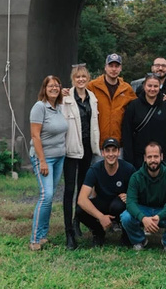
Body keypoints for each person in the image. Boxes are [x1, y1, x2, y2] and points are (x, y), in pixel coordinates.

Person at [61, 64, 101, 250]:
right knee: (69, 190)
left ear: (88, 78)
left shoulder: (92, 98)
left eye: (84, 76)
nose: (81, 80)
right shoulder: (65, 98)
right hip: (71, 148)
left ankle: (78, 220)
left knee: (83, 189)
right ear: (73, 79)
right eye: (77, 77)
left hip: (87, 147)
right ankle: (68, 232)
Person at [28, 75, 68, 251]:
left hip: (59, 157)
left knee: (49, 198)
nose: (54, 88)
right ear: (44, 88)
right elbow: (35, 136)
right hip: (44, 158)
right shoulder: (39, 107)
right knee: (47, 196)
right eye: (51, 86)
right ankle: (35, 239)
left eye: (57, 86)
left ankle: (43, 235)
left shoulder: (58, 107)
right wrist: (42, 161)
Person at [120, 142, 166, 251]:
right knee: (125, 217)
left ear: (161, 157)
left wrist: (159, 216)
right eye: (149, 157)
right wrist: (143, 218)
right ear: (144, 158)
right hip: (143, 210)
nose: (153, 160)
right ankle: (140, 240)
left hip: (163, 210)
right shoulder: (136, 177)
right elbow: (130, 203)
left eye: (156, 156)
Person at [76, 137, 136, 247]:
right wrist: (100, 217)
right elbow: (81, 199)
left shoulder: (128, 169)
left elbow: (139, 193)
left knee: (118, 206)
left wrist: (130, 196)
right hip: (102, 203)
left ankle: (126, 234)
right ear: (102, 153)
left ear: (118, 152)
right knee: (80, 211)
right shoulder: (94, 169)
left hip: (119, 205)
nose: (111, 154)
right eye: (107, 151)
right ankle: (98, 232)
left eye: (114, 150)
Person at [122, 74, 166, 170]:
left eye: (155, 86)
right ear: (144, 86)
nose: (152, 89)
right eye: (149, 86)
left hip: (163, 158)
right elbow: (127, 133)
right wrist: (129, 159)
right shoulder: (133, 106)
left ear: (160, 86)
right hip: (139, 158)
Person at [87, 53, 136, 153]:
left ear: (120, 68)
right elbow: (77, 96)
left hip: (119, 145)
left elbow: (138, 107)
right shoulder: (92, 86)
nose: (114, 69)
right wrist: (64, 93)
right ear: (105, 67)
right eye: (111, 66)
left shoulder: (127, 89)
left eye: (116, 66)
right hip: (98, 145)